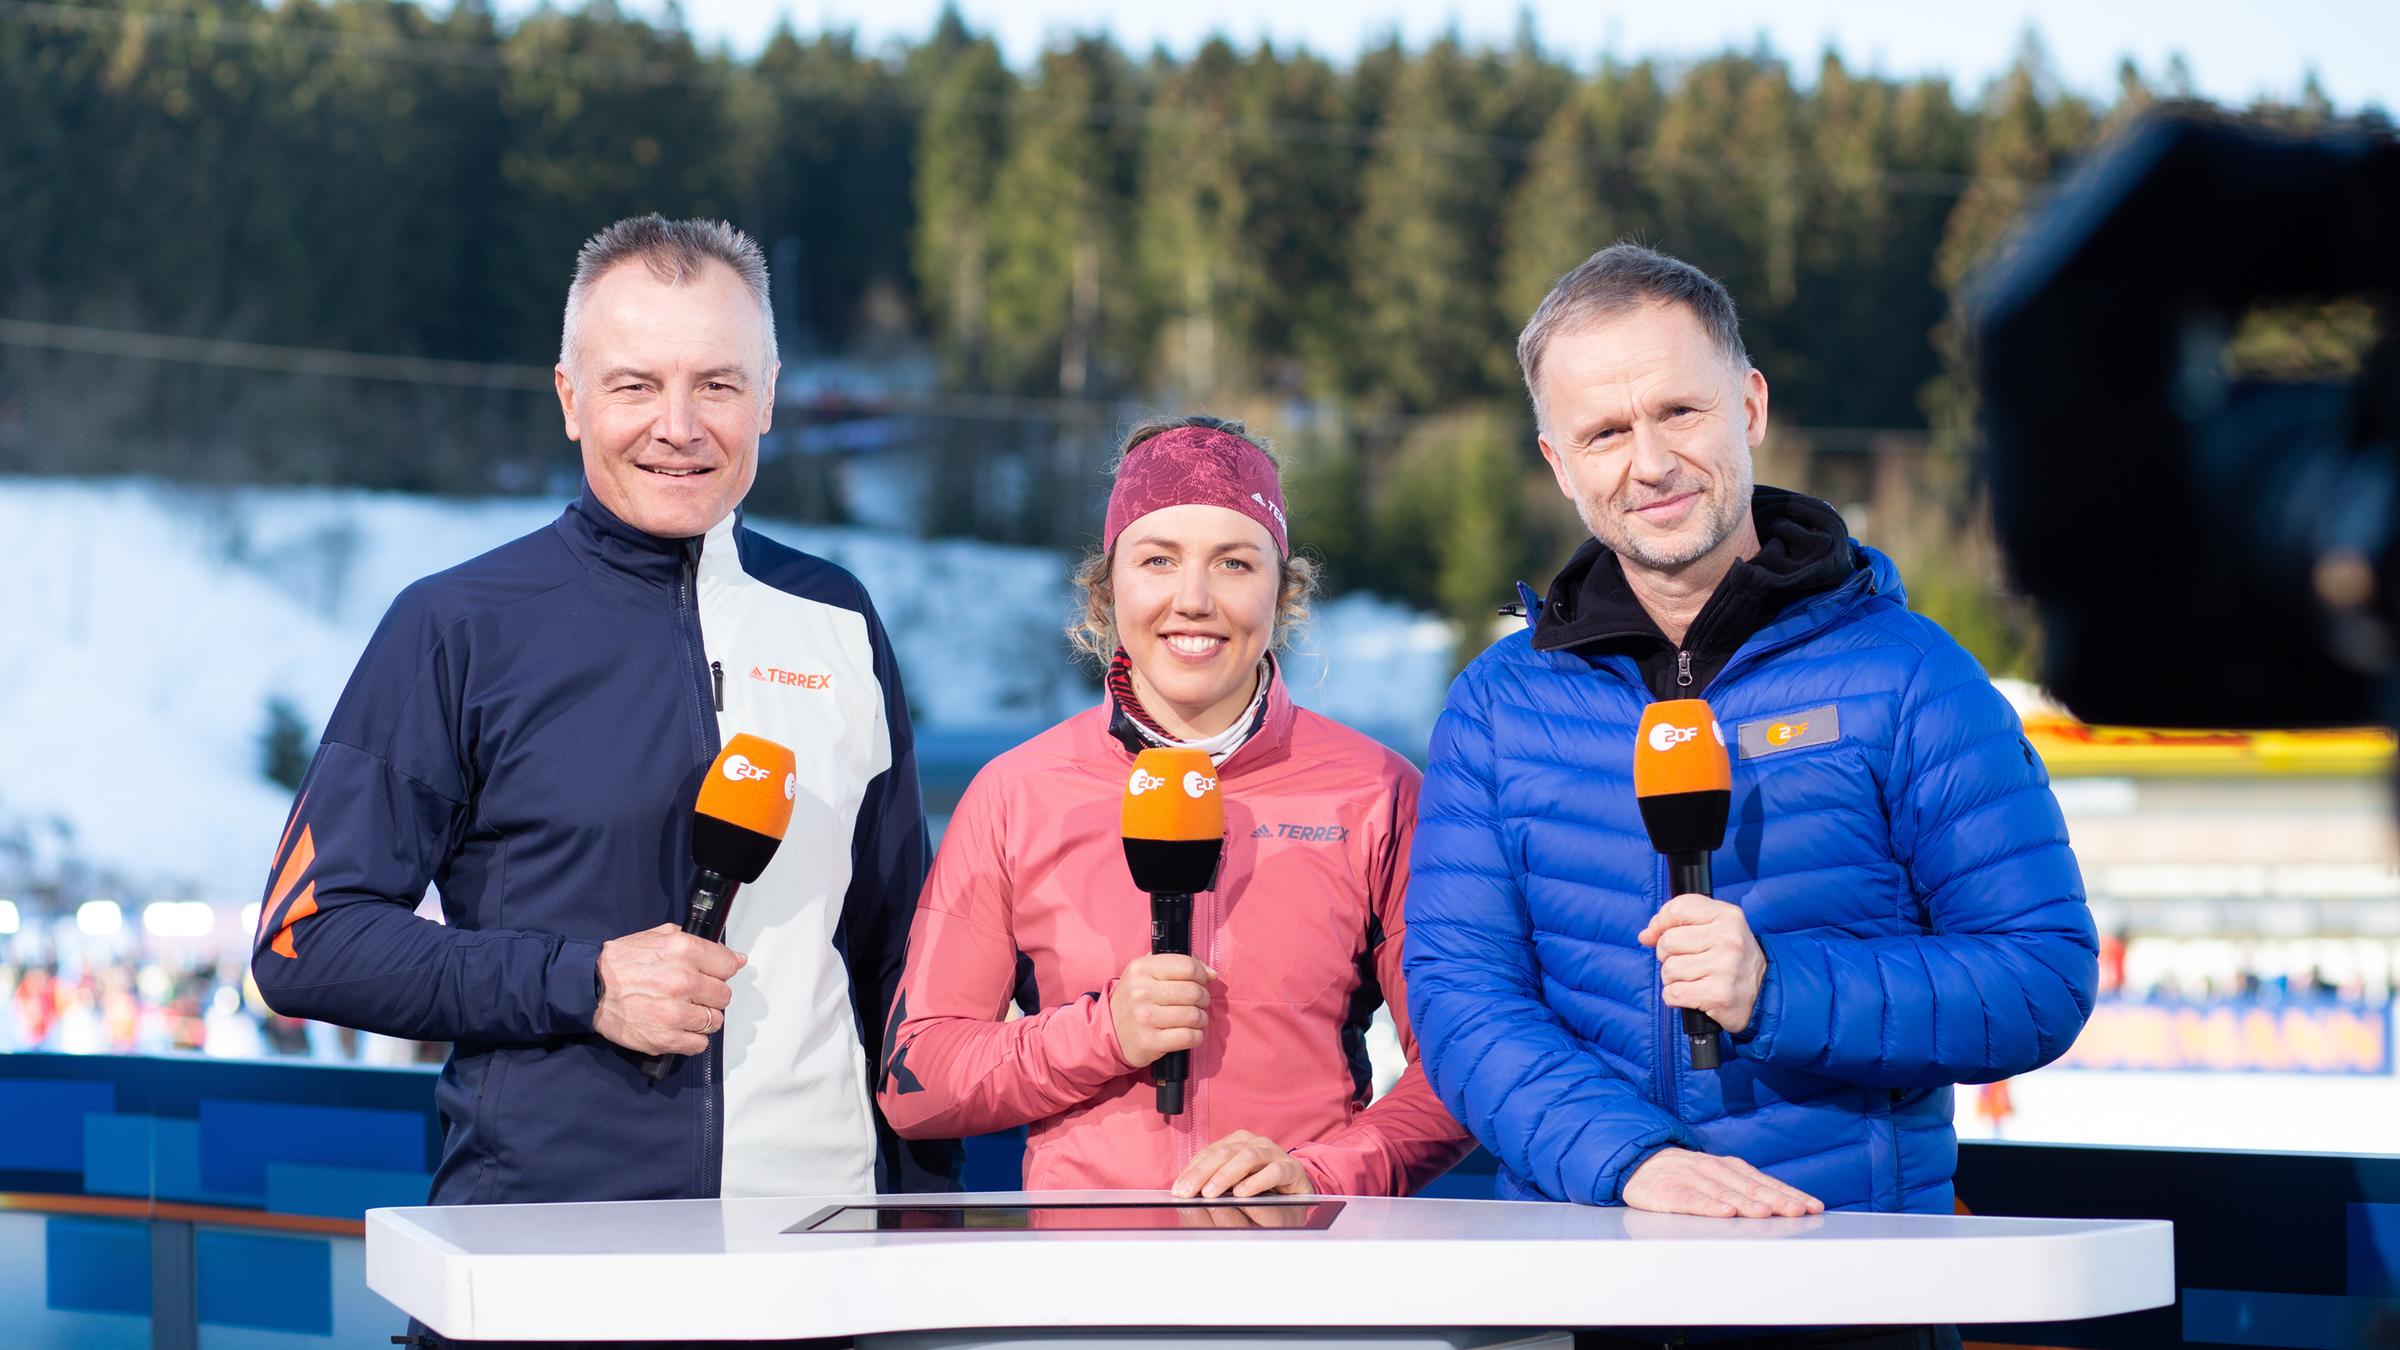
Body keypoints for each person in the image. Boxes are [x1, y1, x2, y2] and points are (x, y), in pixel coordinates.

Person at [1403, 243, 2095, 1301]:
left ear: (1751, 406)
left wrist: (1781, 989)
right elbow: (1463, 999)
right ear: (1558, 461)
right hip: (1585, 1288)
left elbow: (2041, 976)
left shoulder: (1908, 676)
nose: (1649, 462)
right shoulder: (1499, 709)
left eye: (1680, 411)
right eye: (1604, 432)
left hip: (1849, 1289)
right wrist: (1630, 1162)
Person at [251, 215, 956, 1210]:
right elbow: (304, 940)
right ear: (571, 399)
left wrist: (923, 1213)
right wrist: (580, 983)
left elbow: (901, 962)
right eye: (635, 384)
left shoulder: (838, 619)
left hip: (819, 1251)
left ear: (766, 399)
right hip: (549, 1256)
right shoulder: (457, 626)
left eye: (717, 383)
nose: (680, 424)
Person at [877, 416, 1473, 1198]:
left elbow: (1462, 1072)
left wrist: (1320, 1176)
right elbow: (918, 1082)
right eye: (1158, 560)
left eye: (1233, 563)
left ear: (1282, 589)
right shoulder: (1016, 793)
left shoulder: (1377, 792)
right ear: (1108, 585)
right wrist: (1101, 1035)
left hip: (1307, 1279)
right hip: (1087, 1288)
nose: (1192, 599)